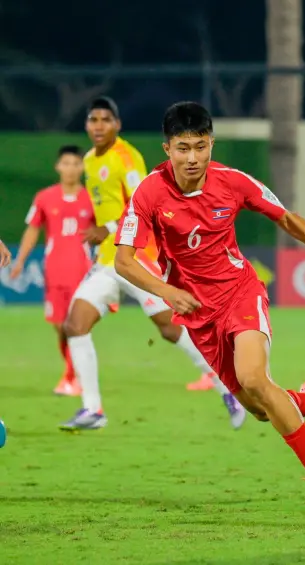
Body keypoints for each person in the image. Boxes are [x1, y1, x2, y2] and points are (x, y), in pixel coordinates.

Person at [113, 101, 305, 505]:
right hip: (197, 314)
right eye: (184, 148)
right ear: (167, 148)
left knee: (256, 380)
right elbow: (123, 261)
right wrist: (167, 291)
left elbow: (286, 217)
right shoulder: (148, 193)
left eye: (201, 146)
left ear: (211, 144)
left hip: (240, 293)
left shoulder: (233, 181)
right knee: (259, 408)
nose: (193, 158)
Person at [60, 96, 245, 431]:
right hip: (108, 261)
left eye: (105, 119)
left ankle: (227, 387)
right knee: (75, 325)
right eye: (92, 119)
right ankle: (92, 410)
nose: (98, 125)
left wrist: (109, 228)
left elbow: (143, 206)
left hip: (138, 257)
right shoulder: (88, 160)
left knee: (171, 328)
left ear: (117, 124)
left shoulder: (126, 157)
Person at [10, 145, 94, 396]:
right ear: (58, 166)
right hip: (55, 270)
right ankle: (72, 373)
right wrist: (20, 261)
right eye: (66, 163)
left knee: (75, 324)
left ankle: (71, 376)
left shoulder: (92, 199)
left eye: (75, 164)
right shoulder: (44, 197)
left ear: (82, 167)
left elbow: (105, 232)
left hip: (82, 270)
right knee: (59, 325)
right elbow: (33, 229)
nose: (70, 168)